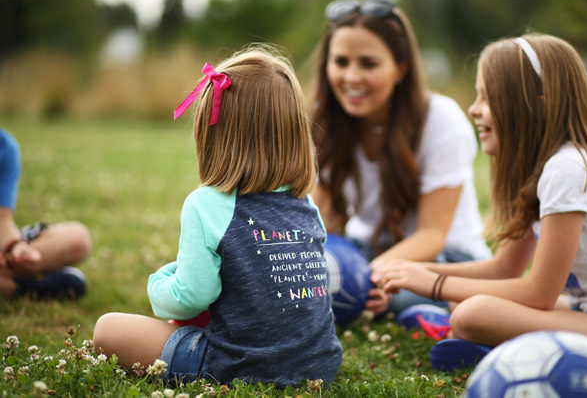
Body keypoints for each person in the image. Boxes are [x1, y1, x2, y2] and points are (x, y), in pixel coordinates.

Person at [376, 33, 587, 375]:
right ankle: (489, 341)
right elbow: (503, 270)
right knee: (467, 301)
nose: (473, 109)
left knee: (474, 312)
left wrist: (433, 284)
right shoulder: (545, 171)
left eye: (487, 98)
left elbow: (539, 293)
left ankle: (498, 349)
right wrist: (419, 272)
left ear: (536, 105)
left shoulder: (568, 169)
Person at [93, 47, 343, 387]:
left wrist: (159, 283)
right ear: (295, 132)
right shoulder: (306, 204)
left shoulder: (206, 204)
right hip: (319, 367)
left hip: (242, 369)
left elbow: (189, 299)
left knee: (109, 329)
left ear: (212, 138)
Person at [310, 0, 491, 315]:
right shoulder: (323, 121)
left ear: (401, 68)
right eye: (340, 62)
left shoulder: (441, 119)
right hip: (368, 250)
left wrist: (364, 277)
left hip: (448, 257)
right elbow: (320, 222)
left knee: (403, 297)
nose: (351, 77)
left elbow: (432, 234)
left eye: (368, 63)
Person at [0, 127, 90, 300]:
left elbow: (2, 219)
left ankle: (15, 278)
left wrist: (17, 247)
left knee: (78, 239)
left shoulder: (5, 147)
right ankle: (19, 286)